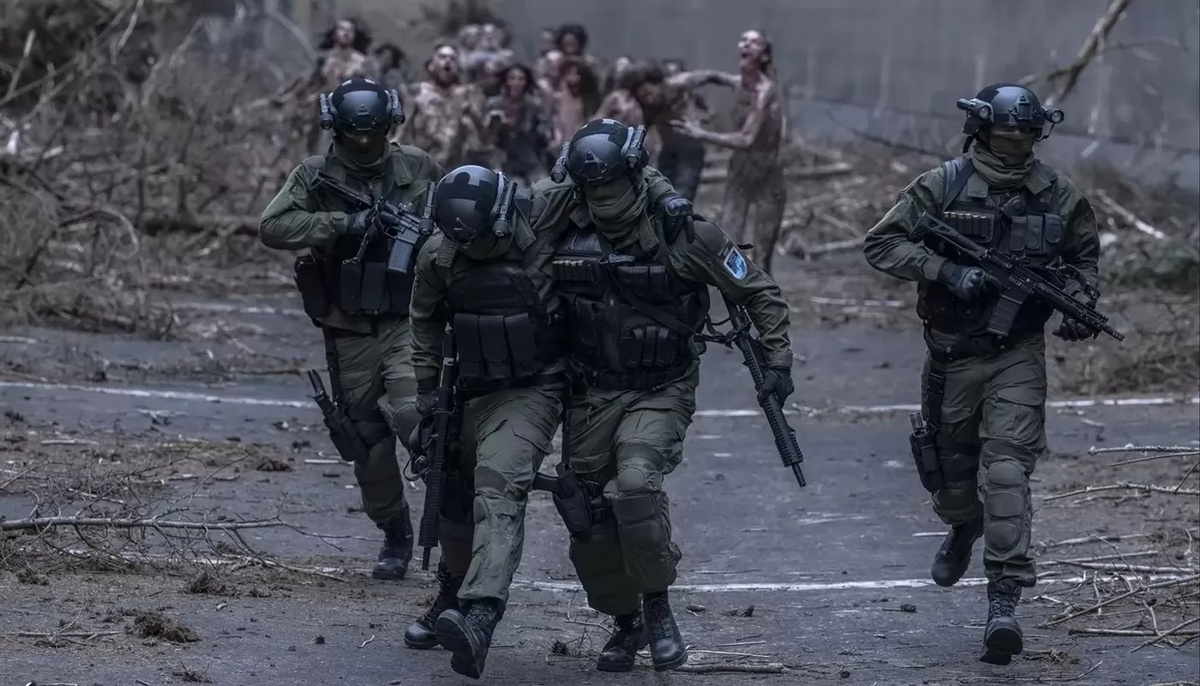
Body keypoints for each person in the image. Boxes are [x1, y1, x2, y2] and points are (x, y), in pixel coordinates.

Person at [531, 119, 795, 672]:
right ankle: (624, 621)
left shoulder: (684, 234)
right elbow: (499, 231)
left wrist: (777, 361)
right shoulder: (557, 223)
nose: (604, 199)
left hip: (660, 387)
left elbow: (758, 291)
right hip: (589, 391)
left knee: (635, 486)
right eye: (592, 189)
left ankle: (657, 604)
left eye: (613, 186)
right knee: (587, 514)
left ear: (635, 175)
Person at [862, 84, 1101, 666]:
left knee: (1007, 471)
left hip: (1017, 353)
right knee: (951, 484)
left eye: (1025, 134)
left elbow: (1084, 262)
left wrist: (1078, 305)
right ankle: (963, 527)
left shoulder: (1059, 195)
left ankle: (1003, 603)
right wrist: (946, 271)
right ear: (982, 131)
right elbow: (881, 244)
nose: (1015, 143)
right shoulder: (942, 185)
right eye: (1005, 132)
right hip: (951, 355)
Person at [259, 78, 444, 581]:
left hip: (408, 321)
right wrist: (343, 224)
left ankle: (455, 530)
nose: (364, 144)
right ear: (334, 129)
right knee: (366, 444)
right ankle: (395, 532)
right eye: (353, 135)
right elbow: (273, 227)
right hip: (349, 329)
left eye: (374, 134)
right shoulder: (315, 174)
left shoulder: (418, 167)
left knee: (418, 418)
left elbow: (458, 217)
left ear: (389, 126)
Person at [406, 165, 567, 679]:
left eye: (477, 240)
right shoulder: (440, 254)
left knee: (498, 486)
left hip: (532, 387)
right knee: (450, 488)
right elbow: (424, 320)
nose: (469, 249)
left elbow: (613, 172)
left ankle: (480, 616)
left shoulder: (544, 218)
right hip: (467, 386)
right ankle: (452, 593)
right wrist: (427, 394)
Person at [671, 29, 785, 274]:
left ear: (764, 56)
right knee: (729, 246)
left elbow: (746, 138)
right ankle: (733, 294)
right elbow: (712, 76)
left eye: (754, 42)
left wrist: (700, 134)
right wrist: (683, 79)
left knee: (762, 254)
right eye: (743, 40)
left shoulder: (765, 92)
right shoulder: (738, 84)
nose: (746, 44)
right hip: (740, 172)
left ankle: (763, 296)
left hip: (767, 174)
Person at [636, 62, 733, 202]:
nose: (649, 99)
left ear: (658, 84)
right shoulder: (644, 104)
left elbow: (711, 76)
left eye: (649, 93)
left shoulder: (679, 83)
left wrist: (734, 82)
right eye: (643, 97)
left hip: (690, 150)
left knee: (682, 195)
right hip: (668, 151)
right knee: (659, 195)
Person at [393, 43, 485, 171]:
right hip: (422, 165)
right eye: (442, 57)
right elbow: (401, 130)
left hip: (456, 168)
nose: (448, 61)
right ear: (431, 65)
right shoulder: (416, 92)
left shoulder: (467, 94)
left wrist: (472, 113)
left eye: (453, 58)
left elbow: (482, 136)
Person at [485, 63, 553, 183]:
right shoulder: (494, 104)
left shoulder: (534, 105)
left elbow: (544, 133)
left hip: (530, 160)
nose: (516, 83)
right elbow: (486, 136)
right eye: (512, 78)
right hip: (503, 161)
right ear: (506, 81)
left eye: (521, 79)